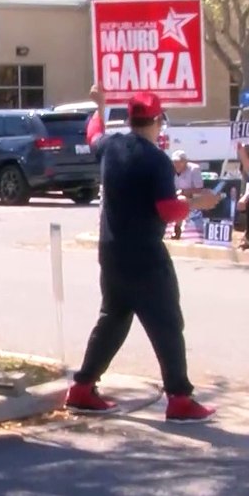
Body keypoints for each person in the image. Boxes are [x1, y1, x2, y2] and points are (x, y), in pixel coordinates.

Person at [66, 91, 221, 422]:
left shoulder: (110, 147)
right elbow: (167, 210)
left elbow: (93, 133)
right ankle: (179, 396)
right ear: (156, 121)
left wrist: (99, 105)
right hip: (145, 253)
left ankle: (82, 387)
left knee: (114, 318)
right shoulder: (156, 160)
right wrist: (197, 203)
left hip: (111, 250)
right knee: (166, 322)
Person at [170, 149, 204, 240]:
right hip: (175, 196)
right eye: (174, 162)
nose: (176, 164)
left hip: (192, 198)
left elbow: (199, 190)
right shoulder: (171, 170)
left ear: (185, 161)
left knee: (181, 200)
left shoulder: (194, 169)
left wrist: (183, 192)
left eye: (179, 162)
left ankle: (177, 229)